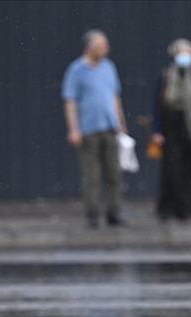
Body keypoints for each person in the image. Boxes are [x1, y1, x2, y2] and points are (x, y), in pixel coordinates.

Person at [62, 29, 128, 228]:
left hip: (109, 127)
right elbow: (70, 101)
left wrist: (121, 124)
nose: (106, 49)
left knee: (114, 173)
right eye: (102, 46)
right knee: (90, 174)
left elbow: (115, 97)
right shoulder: (77, 70)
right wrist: (74, 129)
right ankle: (92, 214)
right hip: (88, 129)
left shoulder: (109, 67)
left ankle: (113, 213)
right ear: (90, 48)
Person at [149, 38, 191, 222]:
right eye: (181, 53)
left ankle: (187, 209)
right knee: (171, 166)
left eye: (188, 53)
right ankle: (166, 208)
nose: (185, 57)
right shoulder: (165, 76)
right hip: (170, 123)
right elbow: (157, 105)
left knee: (189, 167)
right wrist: (157, 130)